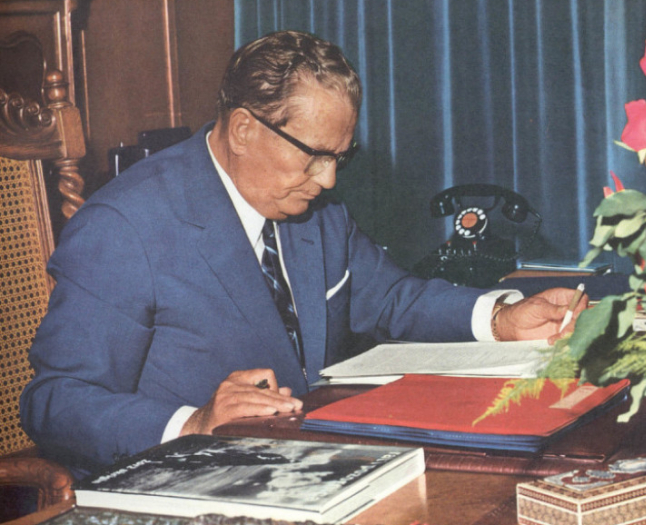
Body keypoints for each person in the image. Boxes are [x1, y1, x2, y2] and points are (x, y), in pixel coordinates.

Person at [20, 30, 588, 477]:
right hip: (182, 480)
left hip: (307, 463)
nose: (330, 179)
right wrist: (193, 422)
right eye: (315, 155)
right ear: (244, 130)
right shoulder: (124, 227)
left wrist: (501, 318)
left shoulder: (308, 207)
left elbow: (391, 296)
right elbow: (55, 400)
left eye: (341, 156)